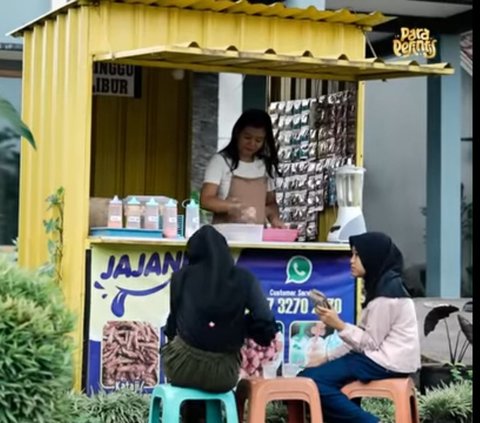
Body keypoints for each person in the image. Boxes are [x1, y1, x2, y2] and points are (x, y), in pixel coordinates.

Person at [298, 232, 421, 423]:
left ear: (372, 257)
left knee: (312, 381)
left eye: (357, 255)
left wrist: (338, 324)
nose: (351, 260)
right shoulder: (382, 286)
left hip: (385, 361)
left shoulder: (387, 296)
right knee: (309, 376)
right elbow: (360, 340)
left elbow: (369, 343)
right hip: (377, 358)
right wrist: (326, 358)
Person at [162, 224, 278, 393]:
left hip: (182, 370)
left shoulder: (181, 277)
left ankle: (191, 415)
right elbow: (265, 319)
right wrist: (241, 326)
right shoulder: (245, 278)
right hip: (223, 375)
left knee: (175, 345)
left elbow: (173, 327)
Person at [200, 108, 284, 227]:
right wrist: (231, 206)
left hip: (257, 236)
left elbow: (270, 203)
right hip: (225, 236)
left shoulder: (265, 165)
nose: (252, 144)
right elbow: (206, 200)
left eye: (258, 140)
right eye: (247, 138)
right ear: (237, 133)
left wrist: (274, 218)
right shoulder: (221, 161)